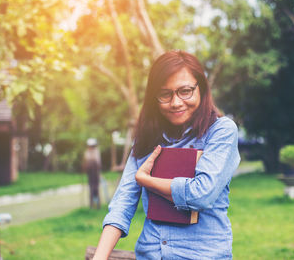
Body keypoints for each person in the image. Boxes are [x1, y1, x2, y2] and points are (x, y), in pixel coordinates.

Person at [93, 50, 240, 259]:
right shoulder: (147, 137)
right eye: (165, 94)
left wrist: (147, 180)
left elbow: (201, 195)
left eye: (185, 91)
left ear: (202, 88)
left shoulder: (220, 131)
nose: (176, 102)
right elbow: (123, 202)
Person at [83, 138, 102, 209]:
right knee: (91, 187)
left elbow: (98, 163)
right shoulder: (87, 152)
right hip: (90, 172)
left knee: (95, 188)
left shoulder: (96, 152)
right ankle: (91, 204)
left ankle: (97, 204)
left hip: (95, 172)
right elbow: (86, 163)